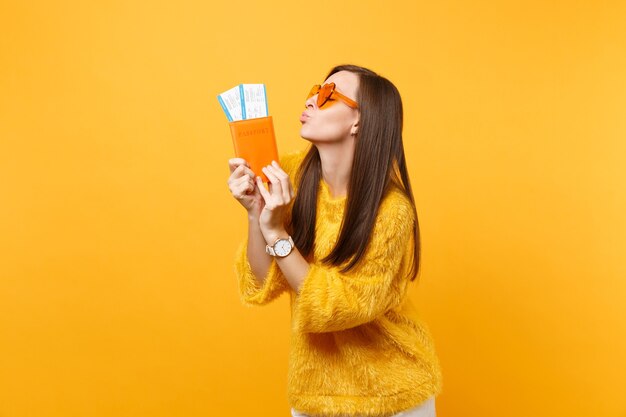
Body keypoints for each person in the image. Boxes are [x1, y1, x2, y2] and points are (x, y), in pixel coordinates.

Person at [227, 64, 443, 417]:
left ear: (359, 121)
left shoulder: (392, 211)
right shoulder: (292, 175)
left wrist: (277, 232)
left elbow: (335, 308)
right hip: (313, 394)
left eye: (328, 94)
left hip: (393, 396)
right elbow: (260, 283)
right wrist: (256, 214)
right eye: (315, 89)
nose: (312, 99)